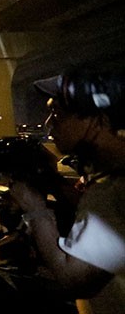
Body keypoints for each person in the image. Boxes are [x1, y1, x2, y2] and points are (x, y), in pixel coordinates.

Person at [9, 67, 124, 313]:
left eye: (57, 113)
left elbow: (72, 279)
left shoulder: (112, 191)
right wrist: (52, 181)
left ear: (97, 121)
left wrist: (34, 209)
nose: (49, 124)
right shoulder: (109, 181)